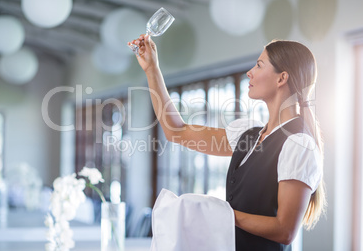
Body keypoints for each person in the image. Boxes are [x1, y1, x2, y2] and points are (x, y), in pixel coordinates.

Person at [128, 34, 326, 251]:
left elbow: (285, 230)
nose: (250, 72)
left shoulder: (299, 145)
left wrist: (219, 213)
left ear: (282, 78)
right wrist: (151, 69)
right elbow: (177, 131)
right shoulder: (248, 136)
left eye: (259, 65)